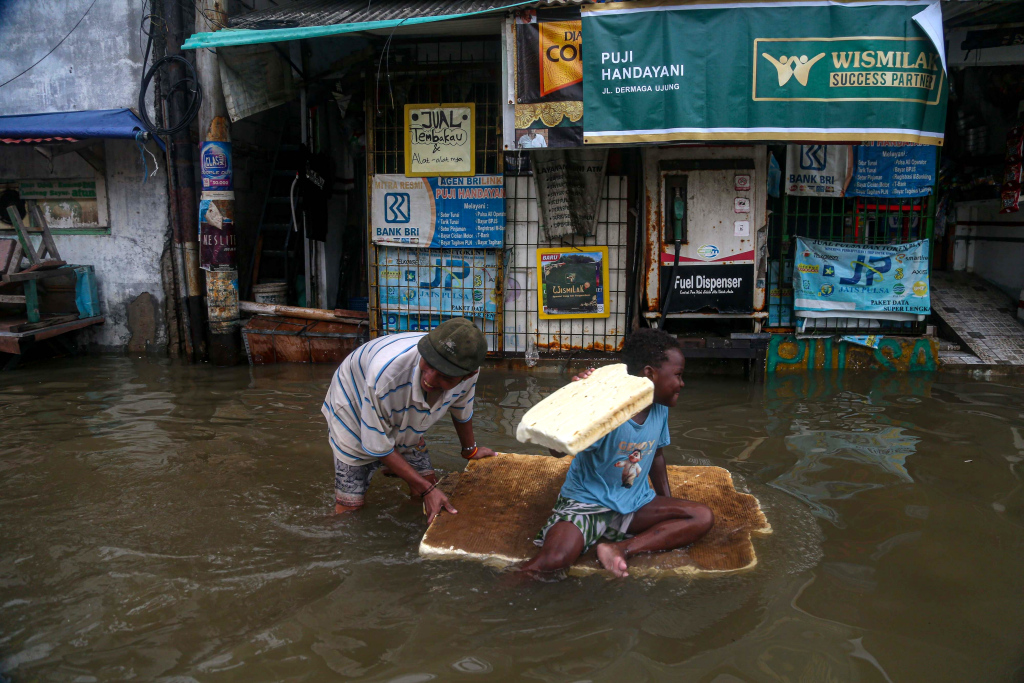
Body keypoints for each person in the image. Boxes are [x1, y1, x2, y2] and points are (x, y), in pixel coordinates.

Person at [520, 329, 713, 578]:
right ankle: (497, 597)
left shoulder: (660, 407)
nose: (682, 383)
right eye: (678, 375)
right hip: (587, 504)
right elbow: (557, 450)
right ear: (650, 374)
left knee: (700, 516)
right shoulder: (604, 408)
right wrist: (577, 403)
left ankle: (619, 548)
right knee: (553, 560)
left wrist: (671, 506)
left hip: (634, 505)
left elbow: (656, 456)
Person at [322, 317, 495, 523]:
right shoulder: (385, 375)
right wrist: (428, 490)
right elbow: (376, 445)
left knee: (427, 482)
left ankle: (410, 512)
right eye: (429, 365)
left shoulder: (466, 369)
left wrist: (470, 450)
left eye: (444, 376)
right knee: (351, 508)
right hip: (354, 398)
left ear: (468, 375)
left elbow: (461, 407)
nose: (429, 379)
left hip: (399, 400)